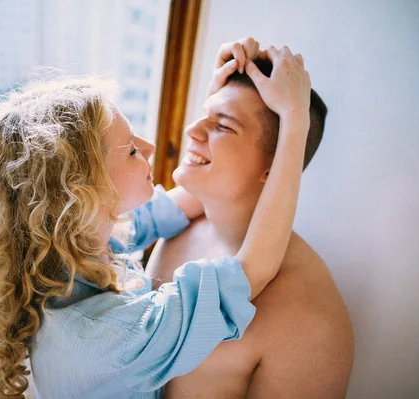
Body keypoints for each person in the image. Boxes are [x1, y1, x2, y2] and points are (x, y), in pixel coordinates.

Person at [0, 40, 311, 399]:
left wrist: (217, 104)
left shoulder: (71, 245)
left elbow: (191, 197)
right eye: (133, 150)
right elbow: (252, 271)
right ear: (85, 192)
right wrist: (295, 119)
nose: (150, 147)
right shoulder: (108, 336)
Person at [145, 39, 354, 398]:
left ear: (275, 165)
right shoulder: (179, 226)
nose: (191, 132)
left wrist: (294, 118)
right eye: (204, 117)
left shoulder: (310, 320)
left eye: (222, 127)